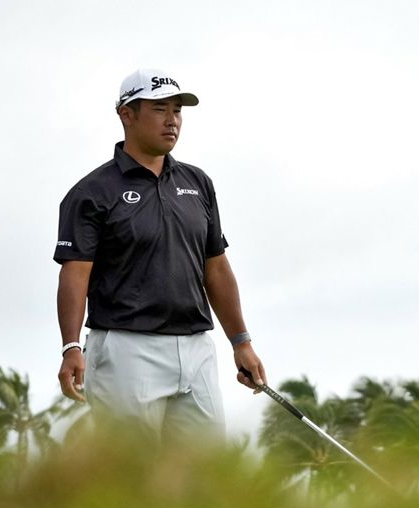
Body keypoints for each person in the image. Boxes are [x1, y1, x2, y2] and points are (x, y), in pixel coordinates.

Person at [54, 68, 266, 443]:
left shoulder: (197, 183)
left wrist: (241, 342)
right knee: (132, 477)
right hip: (126, 348)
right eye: (159, 109)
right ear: (127, 114)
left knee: (204, 475)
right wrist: (71, 346)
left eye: (177, 111)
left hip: (196, 347)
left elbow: (215, 269)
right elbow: (75, 274)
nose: (172, 120)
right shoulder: (91, 192)